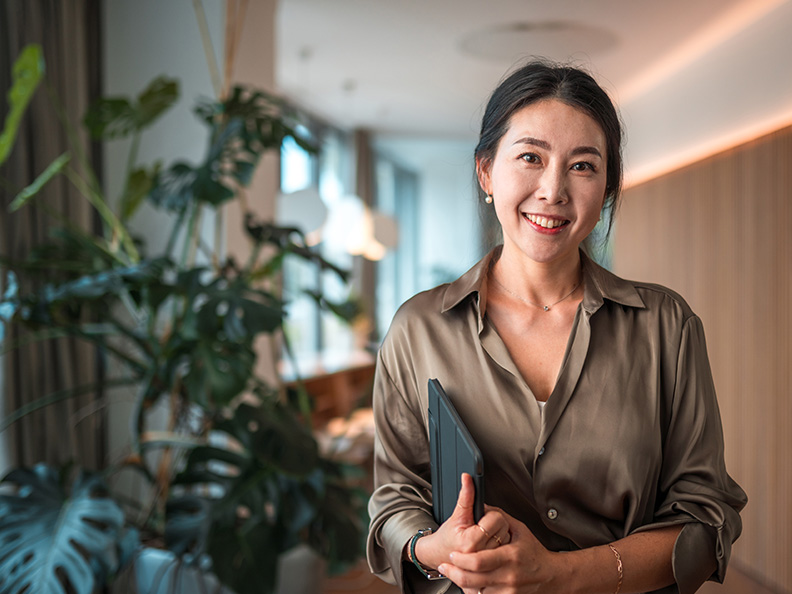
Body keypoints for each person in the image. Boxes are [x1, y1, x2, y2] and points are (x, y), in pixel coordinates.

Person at [366, 59, 747, 594]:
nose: (553, 190)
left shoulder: (668, 327)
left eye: (583, 166)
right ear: (485, 172)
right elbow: (394, 502)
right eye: (529, 157)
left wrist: (559, 574)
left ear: (607, 188)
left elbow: (706, 519)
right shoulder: (418, 329)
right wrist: (437, 547)